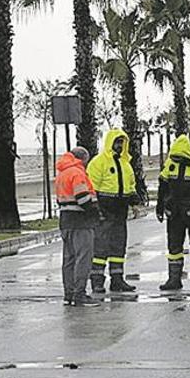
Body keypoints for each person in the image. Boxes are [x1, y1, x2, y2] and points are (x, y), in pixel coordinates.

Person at [87, 128, 139, 293]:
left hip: (120, 211)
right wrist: (96, 209)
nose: (119, 146)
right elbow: (91, 187)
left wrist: (134, 202)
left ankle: (117, 280)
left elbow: (130, 185)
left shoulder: (125, 164)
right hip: (104, 209)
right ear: (110, 143)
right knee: (100, 247)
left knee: (118, 246)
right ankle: (97, 281)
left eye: (122, 143)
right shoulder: (98, 162)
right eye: (117, 142)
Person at [156, 134, 190, 291]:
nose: (176, 160)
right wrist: (160, 208)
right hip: (175, 213)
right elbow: (163, 186)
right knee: (174, 248)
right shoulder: (171, 162)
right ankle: (174, 280)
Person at [54, 146, 100, 307]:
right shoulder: (77, 173)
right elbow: (83, 198)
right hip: (80, 221)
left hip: (65, 220)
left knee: (69, 259)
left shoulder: (62, 173)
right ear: (83, 159)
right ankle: (79, 294)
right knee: (83, 258)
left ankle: (69, 293)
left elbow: (60, 199)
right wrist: (95, 213)